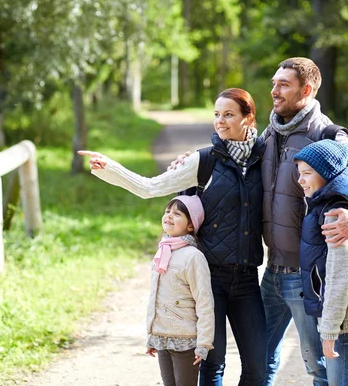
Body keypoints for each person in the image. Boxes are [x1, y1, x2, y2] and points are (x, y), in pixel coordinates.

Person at [78, 88, 268, 385]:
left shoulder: (264, 159)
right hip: (209, 278)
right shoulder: (202, 161)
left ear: (249, 118)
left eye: (229, 114)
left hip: (246, 279)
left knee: (258, 368)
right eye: (217, 114)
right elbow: (150, 187)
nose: (220, 121)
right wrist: (109, 167)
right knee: (212, 364)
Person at [260, 57, 348, 386]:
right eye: (274, 83)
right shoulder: (271, 131)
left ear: (306, 89)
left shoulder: (328, 136)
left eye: (283, 85)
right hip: (270, 272)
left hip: (308, 277)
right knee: (257, 360)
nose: (274, 90)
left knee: (321, 368)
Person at [293, 139, 348, 386]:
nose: (300, 180)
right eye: (299, 173)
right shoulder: (323, 203)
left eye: (307, 173)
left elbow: (339, 276)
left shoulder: (335, 213)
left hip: (343, 321)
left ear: (326, 174)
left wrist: (329, 332)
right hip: (337, 317)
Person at [145, 195, 214, 386]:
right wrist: (152, 335)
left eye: (177, 214)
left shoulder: (193, 257)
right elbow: (156, 297)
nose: (169, 216)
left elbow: (204, 301)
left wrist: (203, 344)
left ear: (190, 225)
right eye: (167, 211)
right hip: (163, 337)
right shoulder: (162, 251)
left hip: (185, 339)